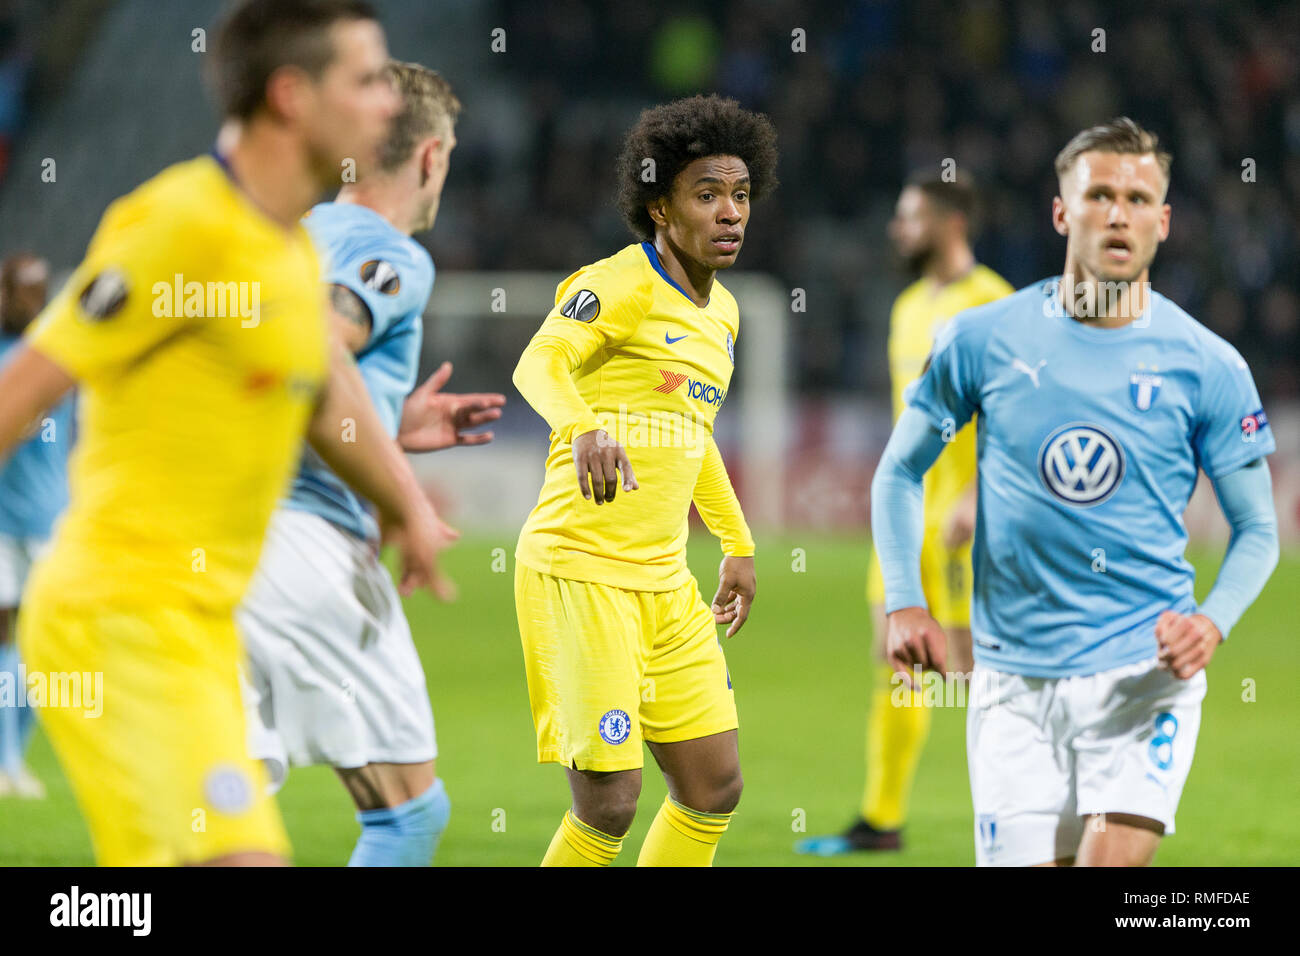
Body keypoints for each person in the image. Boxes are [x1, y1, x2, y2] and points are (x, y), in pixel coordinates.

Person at [0, 0, 451, 866]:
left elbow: (322, 400)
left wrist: (405, 504)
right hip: (119, 619)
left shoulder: (285, 254)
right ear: (291, 95)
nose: (389, 104)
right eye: (364, 80)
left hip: (198, 628)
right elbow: (21, 389)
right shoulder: (180, 224)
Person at [873, 117, 1279, 866]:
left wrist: (1212, 622)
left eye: (1136, 196)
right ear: (1063, 213)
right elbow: (899, 469)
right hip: (1010, 683)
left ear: (1163, 220)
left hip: (1143, 676)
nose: (1117, 212)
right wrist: (904, 599)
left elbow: (1258, 529)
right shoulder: (981, 338)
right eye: (1098, 194)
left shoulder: (1209, 364)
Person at [238, 60, 503, 866]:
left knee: (221, 821)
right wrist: (406, 504)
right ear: (429, 157)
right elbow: (314, 349)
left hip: (217, 542)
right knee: (408, 815)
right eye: (448, 159)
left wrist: (391, 420)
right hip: (306, 546)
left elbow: (274, 372)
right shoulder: (391, 251)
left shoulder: (285, 232)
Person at [512, 94, 777, 866]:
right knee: (609, 804)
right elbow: (540, 360)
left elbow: (695, 437)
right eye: (706, 195)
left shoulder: (722, 314)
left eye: (740, 196)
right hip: (580, 572)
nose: (730, 214)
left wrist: (736, 541)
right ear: (659, 207)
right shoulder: (617, 283)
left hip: (666, 583)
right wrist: (582, 426)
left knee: (712, 784)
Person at [798, 174, 1012, 855]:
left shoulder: (994, 302)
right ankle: (881, 820)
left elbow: (1014, 413)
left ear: (951, 223)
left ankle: (1021, 820)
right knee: (898, 664)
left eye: (909, 216)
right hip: (906, 522)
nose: (897, 229)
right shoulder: (908, 306)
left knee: (978, 676)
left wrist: (981, 491)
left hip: (967, 524)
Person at [0, 254, 67, 799]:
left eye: (36, 292)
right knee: (6, 636)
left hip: (52, 520)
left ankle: (14, 759)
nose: (28, 303)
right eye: (19, 292)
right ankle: (4, 763)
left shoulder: (55, 357)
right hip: (2, 524)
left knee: (44, 645)